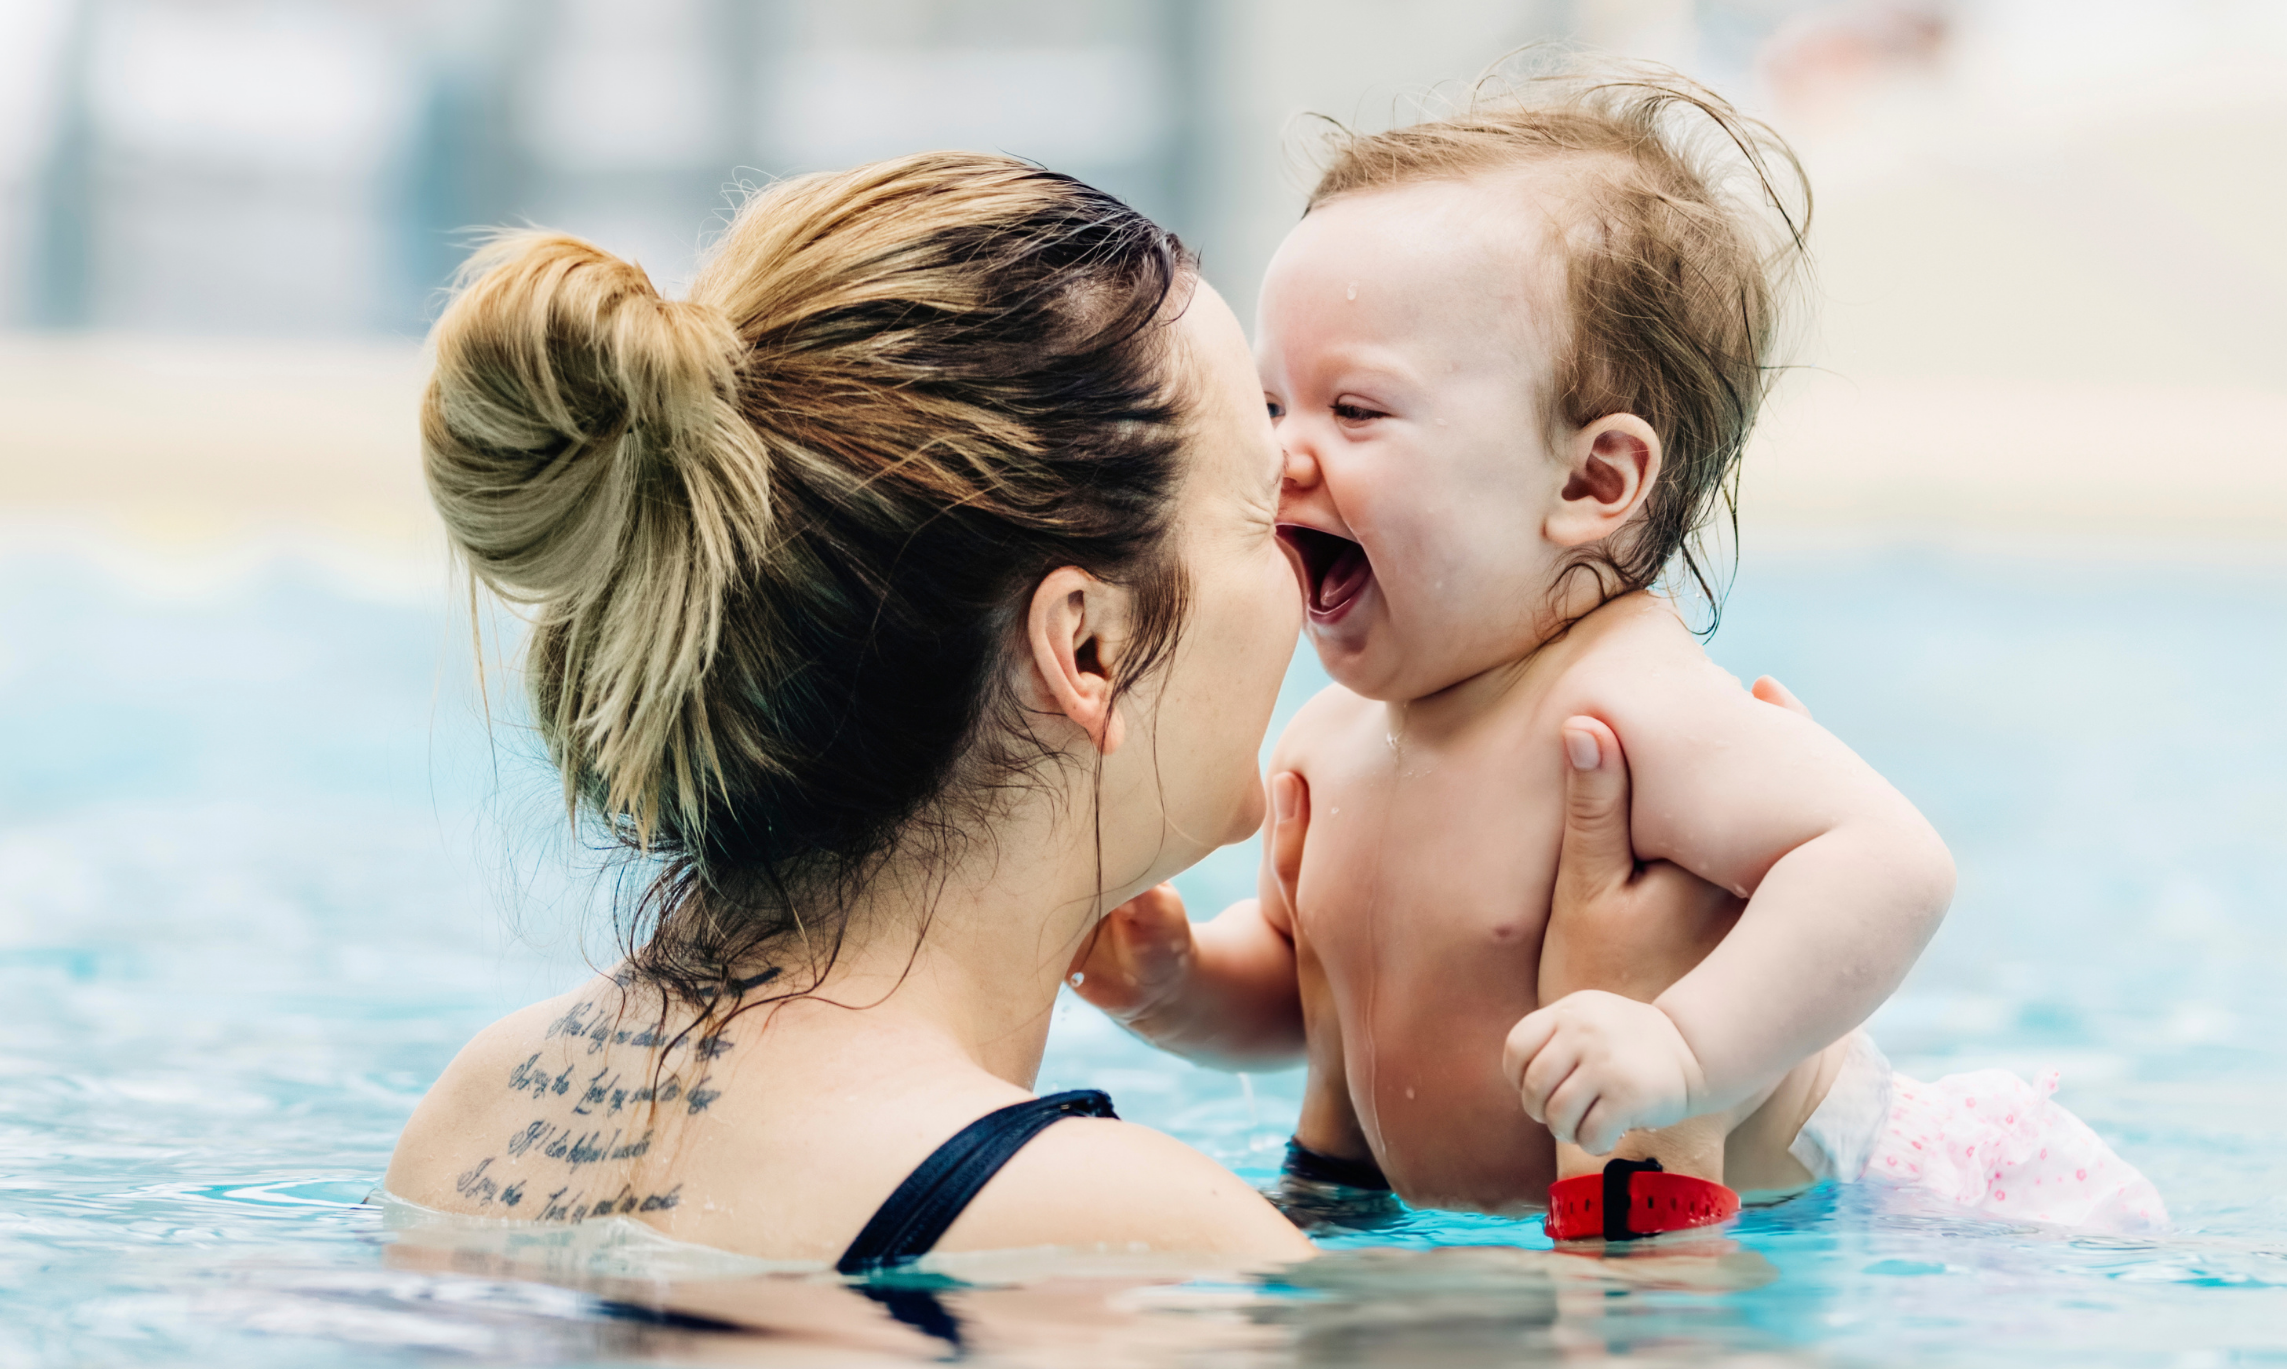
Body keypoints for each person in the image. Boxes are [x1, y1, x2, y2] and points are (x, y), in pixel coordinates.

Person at [1072, 66, 2166, 1234]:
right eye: (1271, 405)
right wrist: (1176, 984)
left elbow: (1890, 863)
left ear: (1592, 482)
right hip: (1531, 1243)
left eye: (1356, 412)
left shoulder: (1622, 708)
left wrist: (1683, 1047)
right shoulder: (1330, 738)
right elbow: (1310, 992)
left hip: (1841, 1212)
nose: (1282, 455)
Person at [384, 155, 1321, 1267]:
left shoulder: (478, 1112)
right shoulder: (1131, 1233)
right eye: (1263, 508)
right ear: (1087, 646)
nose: (1305, 552)